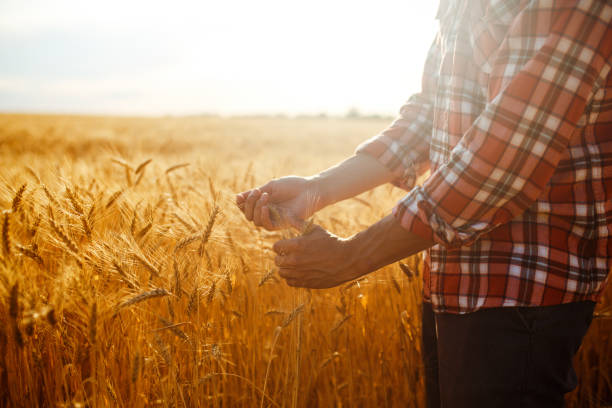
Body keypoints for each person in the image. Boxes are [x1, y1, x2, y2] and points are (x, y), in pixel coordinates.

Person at [236, 1, 612, 407]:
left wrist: (351, 257)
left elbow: (499, 162)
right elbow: (431, 113)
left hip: (524, 290)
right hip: (450, 279)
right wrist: (316, 190)